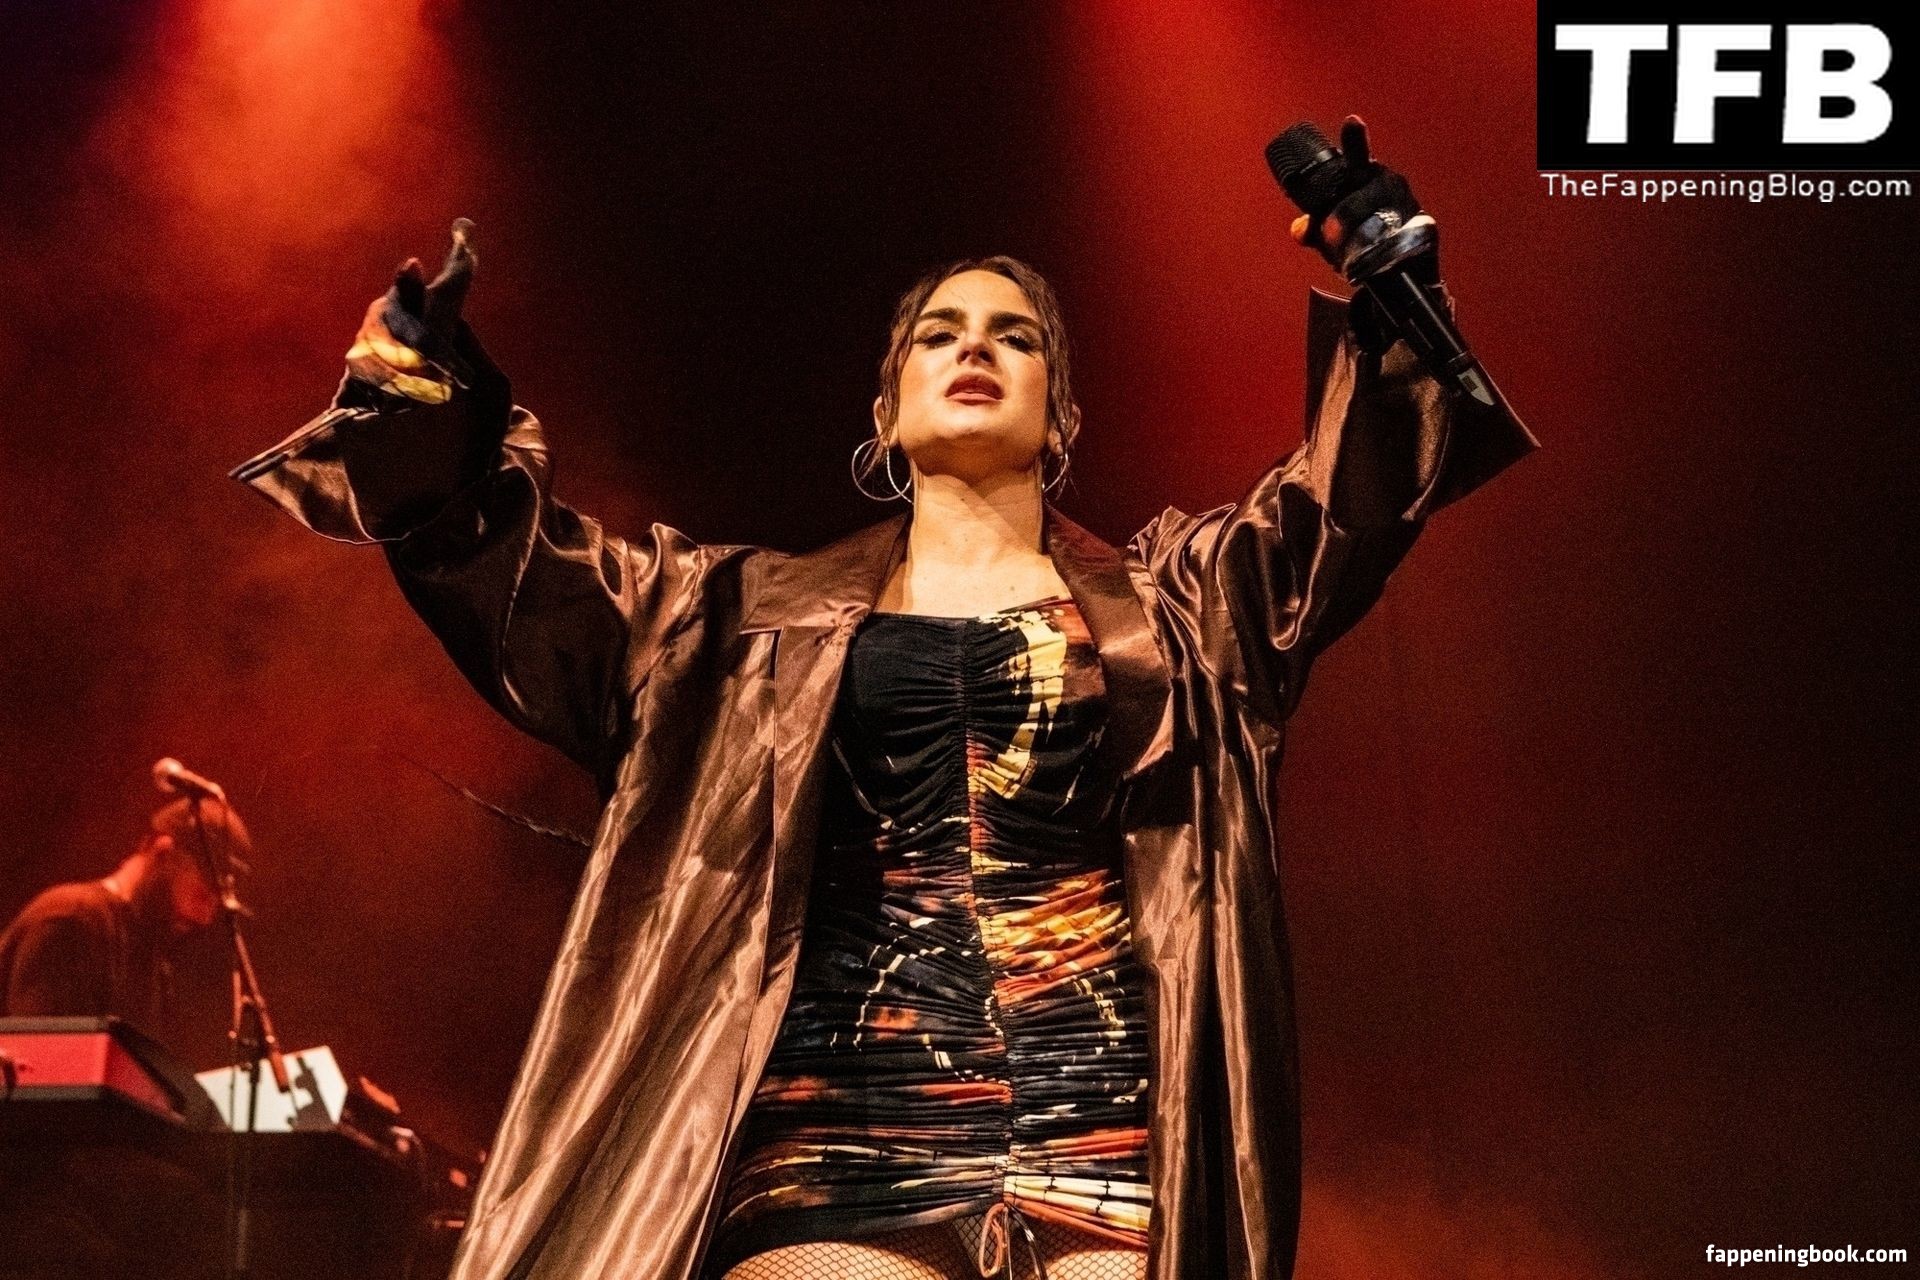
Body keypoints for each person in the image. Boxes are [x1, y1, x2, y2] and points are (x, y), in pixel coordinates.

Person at [235, 119, 1535, 1280]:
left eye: (1015, 336)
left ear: (1061, 416)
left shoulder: (1186, 608)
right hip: (837, 1135)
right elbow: (521, 576)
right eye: (941, 333)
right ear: (886, 413)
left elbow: (1346, 504)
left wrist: (1391, 294)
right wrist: (426, 404)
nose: (976, 348)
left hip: (1100, 1139)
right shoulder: (729, 618)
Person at [0, 796, 241, 1028]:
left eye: (216, 905)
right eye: (203, 894)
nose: (206, 918)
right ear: (163, 853)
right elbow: (45, 1051)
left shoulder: (151, 962)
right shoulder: (72, 919)